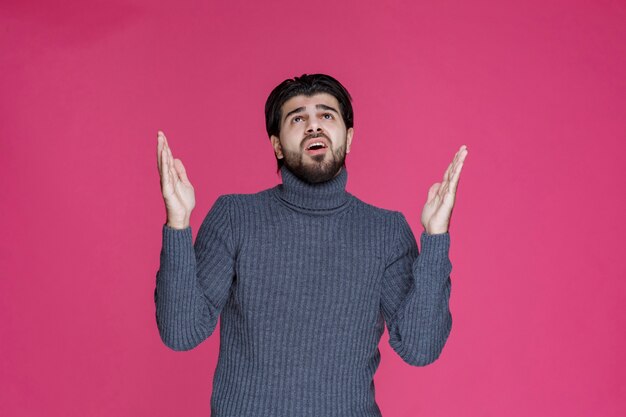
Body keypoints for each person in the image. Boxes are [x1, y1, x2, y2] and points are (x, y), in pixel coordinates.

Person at [154, 73, 468, 417]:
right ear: (276, 144)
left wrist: (436, 237)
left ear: (348, 139)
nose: (313, 127)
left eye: (326, 116)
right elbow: (181, 332)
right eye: (298, 118)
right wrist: (178, 222)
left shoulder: (386, 231)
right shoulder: (235, 217)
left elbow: (420, 347)